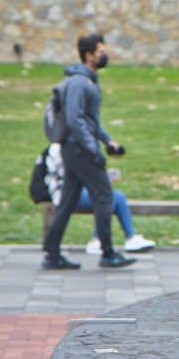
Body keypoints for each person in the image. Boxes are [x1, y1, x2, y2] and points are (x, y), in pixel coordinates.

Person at [41, 33, 136, 269]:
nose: (105, 55)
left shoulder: (88, 81)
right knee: (104, 196)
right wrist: (93, 148)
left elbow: (89, 120)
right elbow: (75, 119)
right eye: (101, 52)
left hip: (77, 148)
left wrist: (107, 140)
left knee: (68, 200)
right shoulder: (79, 82)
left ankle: (52, 254)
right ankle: (107, 253)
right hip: (79, 149)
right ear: (89, 55)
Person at [38, 143, 155, 255]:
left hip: (73, 190)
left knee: (118, 197)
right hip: (65, 195)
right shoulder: (63, 149)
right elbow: (73, 177)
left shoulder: (69, 145)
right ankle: (96, 241)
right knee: (108, 198)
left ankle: (131, 238)